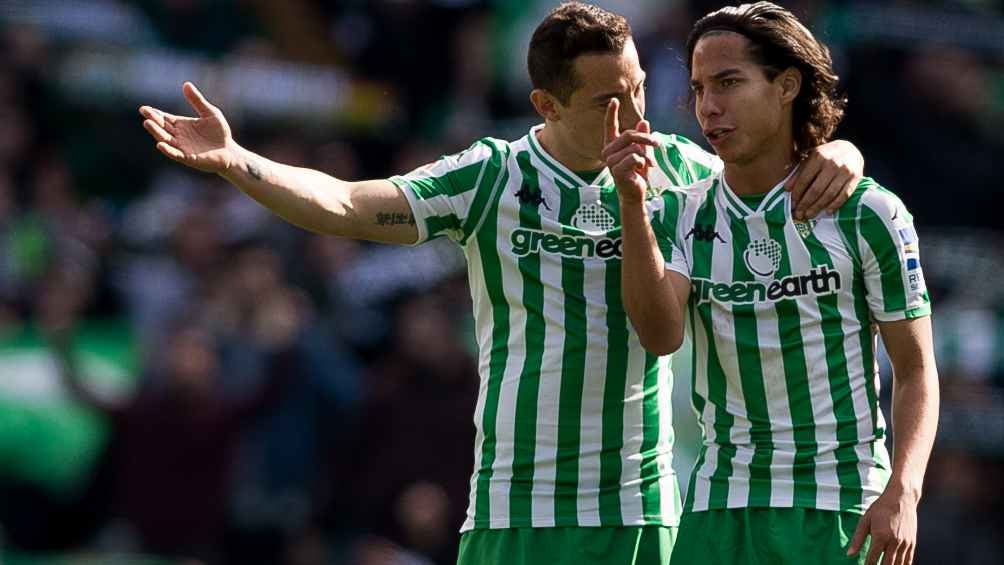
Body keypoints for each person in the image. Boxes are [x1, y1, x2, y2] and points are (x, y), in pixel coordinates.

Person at [138, 3, 866, 562]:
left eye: (640, 86)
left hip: (640, 509)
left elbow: (785, 175)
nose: (635, 114)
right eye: (608, 101)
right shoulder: (495, 176)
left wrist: (844, 150)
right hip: (515, 505)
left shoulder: (684, 171)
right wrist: (239, 162)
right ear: (547, 107)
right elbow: (351, 204)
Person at [607, 2, 938, 564]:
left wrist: (903, 491)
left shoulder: (868, 212)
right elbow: (661, 335)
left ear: (787, 85)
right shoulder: (680, 213)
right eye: (698, 88)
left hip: (840, 507)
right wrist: (633, 207)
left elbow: (915, 369)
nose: (709, 108)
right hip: (719, 508)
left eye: (729, 82)